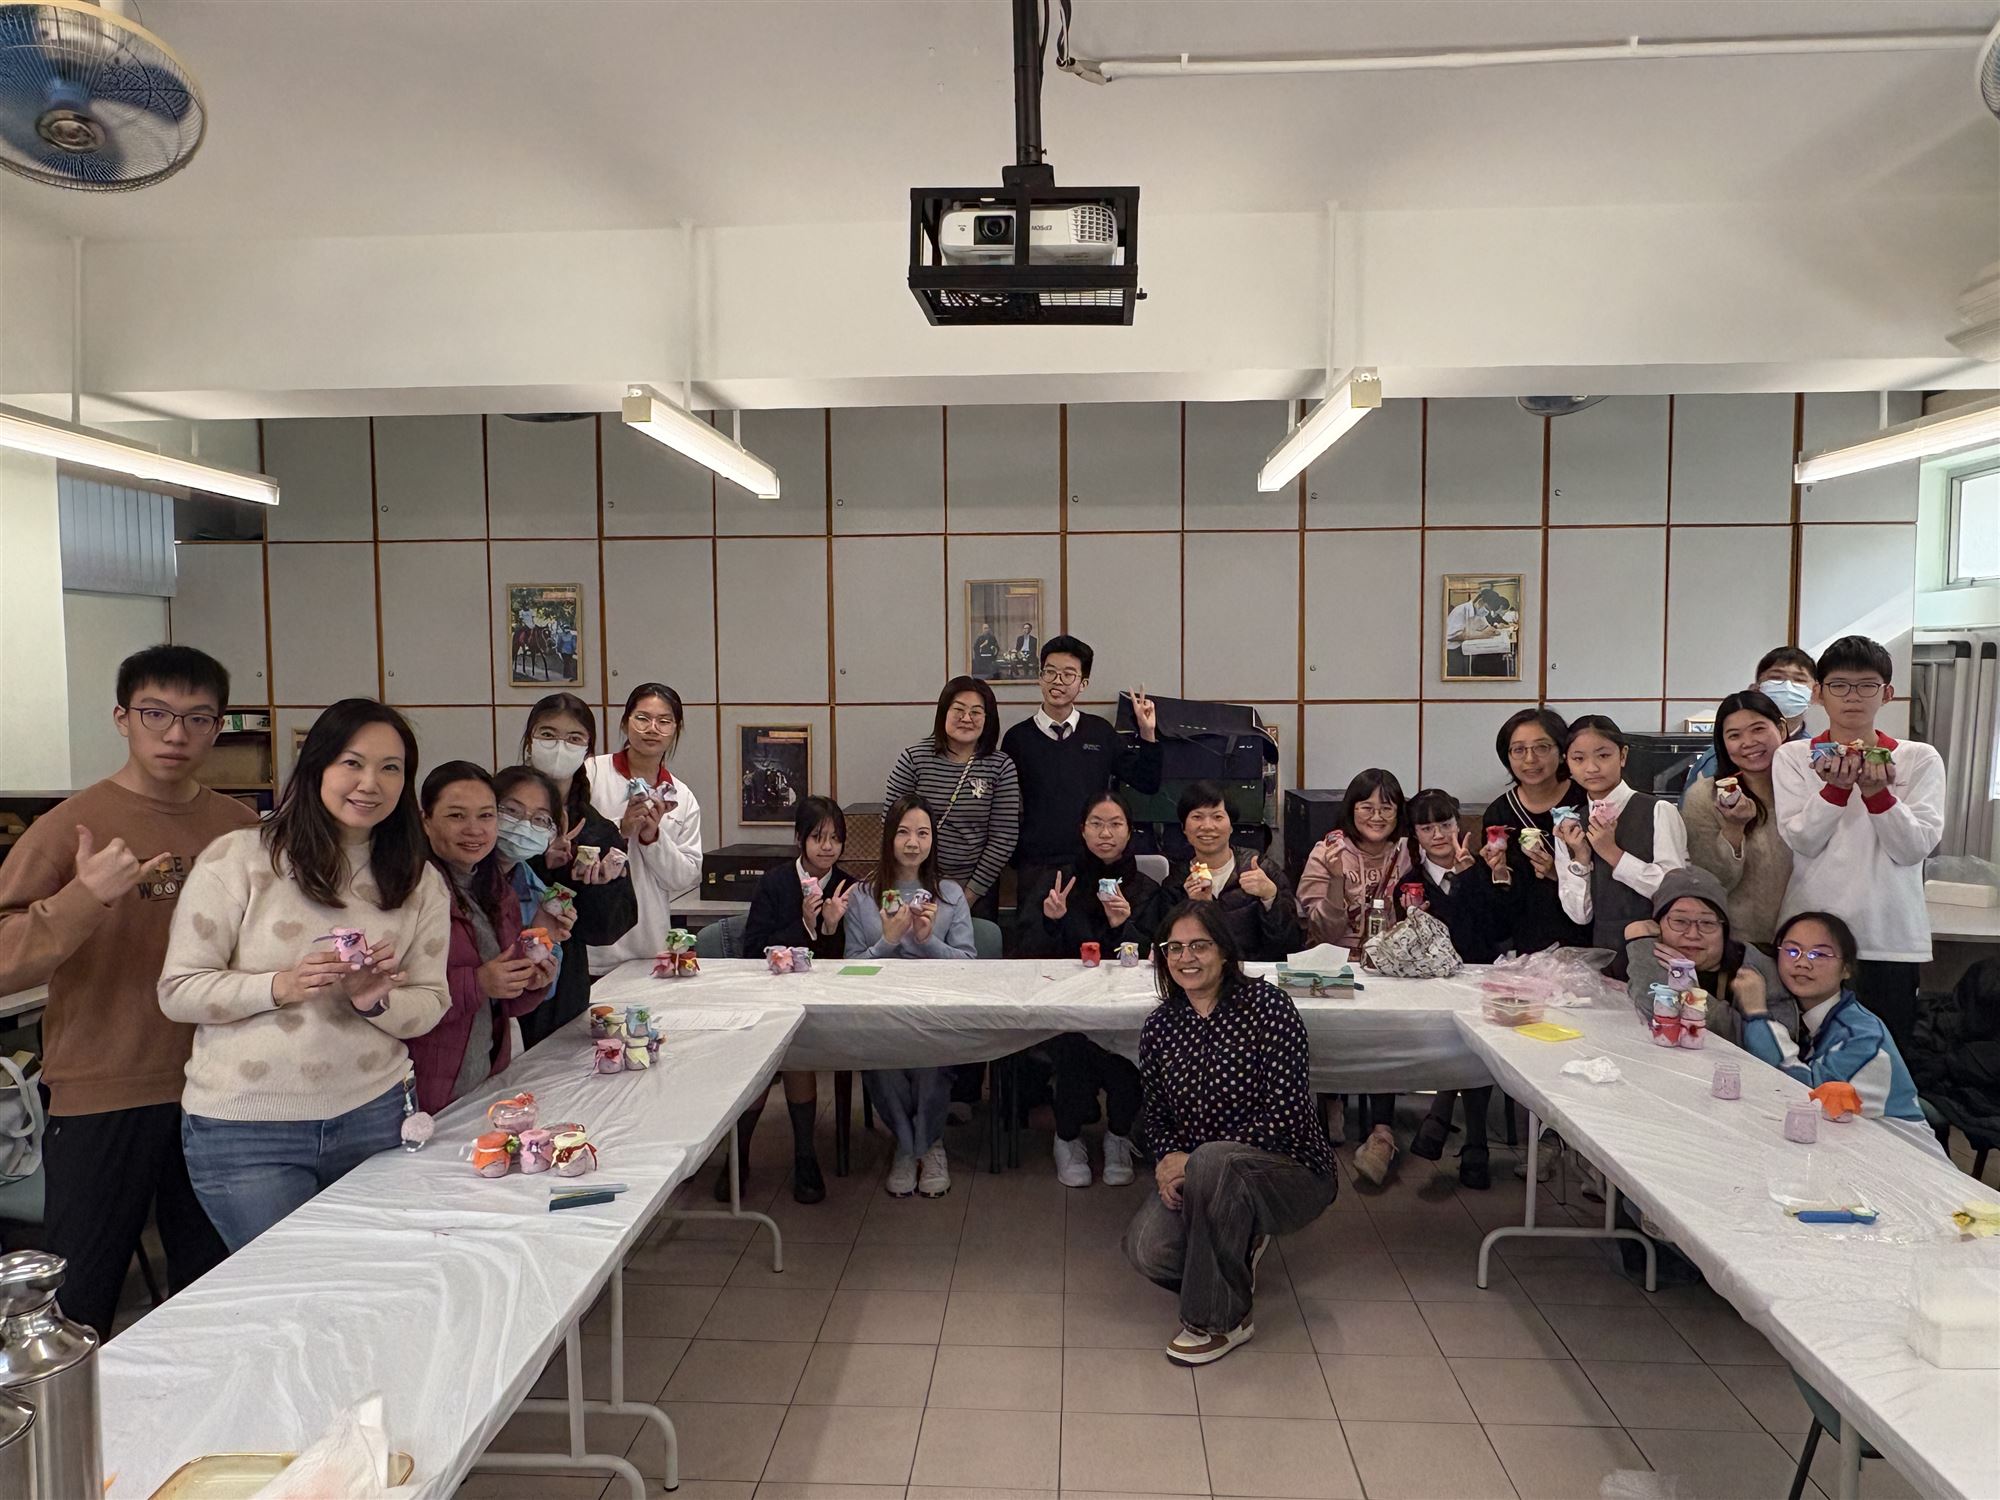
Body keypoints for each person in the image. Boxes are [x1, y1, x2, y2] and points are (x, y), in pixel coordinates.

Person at [0, 645, 256, 1340]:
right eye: (156, 714)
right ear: (122, 719)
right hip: (104, 1091)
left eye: (197, 718)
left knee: (215, 1291)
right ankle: (71, 1415)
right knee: (79, 1301)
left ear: (218, 727)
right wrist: (83, 897)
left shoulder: (239, 828)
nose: (175, 734)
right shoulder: (69, 826)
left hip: (222, 1089)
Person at [159, 700, 450, 1250]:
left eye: (391, 768)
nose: (370, 783)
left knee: (375, 1278)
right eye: (352, 763)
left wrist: (373, 1000)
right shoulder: (240, 858)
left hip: (375, 1114)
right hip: (247, 1130)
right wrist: (280, 986)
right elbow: (178, 991)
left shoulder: (418, 880)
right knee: (293, 1284)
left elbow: (431, 1002)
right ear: (317, 765)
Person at [1123, 902, 1336, 1366]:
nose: (1186, 957)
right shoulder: (1161, 1026)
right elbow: (1155, 1115)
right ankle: (1234, 1248)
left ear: (1224, 952)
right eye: (1174, 947)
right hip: (1198, 1176)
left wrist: (1198, 1160)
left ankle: (1221, 1320)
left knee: (1215, 1162)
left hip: (1290, 1169)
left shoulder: (1267, 1007)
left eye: (1199, 945)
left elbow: (1288, 1112)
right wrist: (1168, 1161)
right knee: (1147, 1249)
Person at [1771, 636, 1945, 1052]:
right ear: (1819, 693)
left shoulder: (1919, 758)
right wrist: (1835, 791)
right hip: (1812, 934)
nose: (1853, 696)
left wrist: (1878, 795)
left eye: (1867, 685)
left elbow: (1913, 848)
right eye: (1839, 685)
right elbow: (1803, 841)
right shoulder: (1794, 757)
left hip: (1890, 936)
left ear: (1887, 693)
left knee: (1883, 1061)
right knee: (1801, 1058)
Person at [1018, 792, 1171, 1189]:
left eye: (1115, 824)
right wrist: (1052, 921)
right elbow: (1026, 953)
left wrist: (1124, 927)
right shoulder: (1057, 882)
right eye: (1097, 824)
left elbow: (1159, 956)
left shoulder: (1146, 888)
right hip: (1067, 1002)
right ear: (1082, 830)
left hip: (1126, 1004)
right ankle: (1067, 1138)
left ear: (1129, 832)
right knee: (1075, 1046)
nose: (1106, 834)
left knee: (1127, 1050)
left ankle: (1118, 1136)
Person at [844, 794, 978, 1198]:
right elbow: (849, 968)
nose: (913, 843)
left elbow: (969, 963)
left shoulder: (950, 894)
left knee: (931, 1064)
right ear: (889, 837)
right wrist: (887, 942)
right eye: (903, 832)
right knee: (881, 1065)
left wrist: (926, 940)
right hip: (879, 1009)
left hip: (935, 1007)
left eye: (923, 833)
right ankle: (911, 1146)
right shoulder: (863, 895)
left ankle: (924, 1146)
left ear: (933, 839)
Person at [407, 763, 559, 1113]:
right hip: (427, 1087)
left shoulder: (496, 890)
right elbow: (393, 994)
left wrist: (531, 980)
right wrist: (478, 983)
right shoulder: (408, 891)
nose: (474, 829)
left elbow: (504, 1003)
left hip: (486, 1076)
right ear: (425, 820)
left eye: (486, 816)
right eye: (456, 816)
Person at [1736, 912, 1947, 1158]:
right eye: (1792, 951)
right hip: (1853, 1147)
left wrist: (1756, 1012)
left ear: (1846, 969)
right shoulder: (1813, 1020)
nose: (1803, 963)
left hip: (1907, 1157)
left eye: (1819, 954)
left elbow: (1804, 1091)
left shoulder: (1863, 1035)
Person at [733, 796, 855, 1205]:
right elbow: (753, 949)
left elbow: (849, 963)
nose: (827, 847)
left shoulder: (847, 886)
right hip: (770, 996)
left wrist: (831, 927)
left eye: (835, 838)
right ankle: (740, 1155)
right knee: (764, 1053)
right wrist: (804, 921)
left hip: (824, 1001)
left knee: (798, 1048)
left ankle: (805, 1155)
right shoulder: (775, 882)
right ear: (800, 838)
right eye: (818, 837)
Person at [1296, 768, 1410, 1184]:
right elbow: (1321, 930)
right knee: (1327, 1022)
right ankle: (1331, 1097)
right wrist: (1336, 880)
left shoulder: (1409, 851)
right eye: (1367, 807)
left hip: (1391, 968)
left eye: (1387, 808)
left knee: (1389, 1027)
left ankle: (1382, 1131)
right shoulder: (1327, 850)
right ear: (1351, 809)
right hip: (1333, 962)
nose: (1377, 816)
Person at [1000, 634, 1162, 913]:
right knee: (1035, 936)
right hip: (1036, 865)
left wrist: (1147, 733)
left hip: (1092, 863)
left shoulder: (1100, 733)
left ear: (1083, 684)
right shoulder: (1017, 738)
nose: (1057, 681)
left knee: (1091, 935)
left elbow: (1147, 782)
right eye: (1050, 672)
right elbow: (1005, 806)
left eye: (1068, 675)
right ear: (1040, 677)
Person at [515, 695, 633, 1046]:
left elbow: (608, 929)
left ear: (587, 751)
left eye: (573, 738)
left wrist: (598, 887)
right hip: (498, 972)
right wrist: (538, 860)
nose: (559, 747)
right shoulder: (497, 813)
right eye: (548, 735)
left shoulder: (597, 831)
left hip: (563, 983)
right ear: (529, 741)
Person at [1404, 788, 1498, 1189]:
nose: (1439, 835)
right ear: (1415, 834)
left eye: (1445, 824)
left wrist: (1467, 879)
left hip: (1479, 976)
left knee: (1476, 1043)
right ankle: (1469, 1138)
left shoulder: (1484, 870)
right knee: (1455, 1041)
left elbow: (1490, 930)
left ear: (1459, 825)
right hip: (1430, 985)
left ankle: (1447, 1119)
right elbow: (1415, 944)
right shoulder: (1411, 882)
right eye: (1427, 828)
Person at [581, 683, 703, 974]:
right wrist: (619, 829)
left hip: (650, 946)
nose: (652, 729)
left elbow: (684, 877)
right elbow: (569, 840)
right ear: (625, 723)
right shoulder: (590, 773)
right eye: (642, 718)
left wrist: (653, 838)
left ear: (676, 729)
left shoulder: (681, 796)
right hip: (591, 946)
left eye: (664, 721)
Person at [1553, 715, 1689, 975]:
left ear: (1623, 755)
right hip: (1604, 953)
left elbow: (1675, 891)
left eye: (1603, 756)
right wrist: (1581, 858)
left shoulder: (1658, 811)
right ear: (1567, 762)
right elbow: (1580, 915)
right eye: (1578, 759)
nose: (1591, 767)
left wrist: (1613, 854)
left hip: (1659, 950)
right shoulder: (1570, 825)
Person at [884, 677, 1021, 922]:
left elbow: (1004, 836)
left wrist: (968, 896)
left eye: (976, 712)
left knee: (976, 943)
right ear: (943, 713)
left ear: (988, 719)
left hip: (976, 888)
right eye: (958, 709)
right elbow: (891, 823)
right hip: (915, 881)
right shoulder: (914, 759)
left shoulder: (1001, 766)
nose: (966, 718)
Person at [1620, 867, 1798, 1048]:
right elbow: (1650, 1008)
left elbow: (1780, 1046)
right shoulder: (1656, 954)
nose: (1692, 934)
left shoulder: (1757, 968)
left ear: (1724, 930)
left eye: (1707, 923)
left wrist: (1689, 993)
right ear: (1658, 926)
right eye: (1680, 921)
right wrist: (1641, 943)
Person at [1681, 691, 1795, 948]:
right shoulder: (1705, 796)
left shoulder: (1808, 789)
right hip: (1738, 944)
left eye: (1758, 729)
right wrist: (1733, 828)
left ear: (1781, 728)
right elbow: (1711, 883)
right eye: (1734, 736)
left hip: (1805, 941)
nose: (1748, 742)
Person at [1475, 709, 1592, 957]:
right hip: (1527, 945)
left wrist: (1558, 874)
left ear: (1562, 752)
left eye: (1541, 747)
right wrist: (1499, 874)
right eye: (1518, 750)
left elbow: (1607, 884)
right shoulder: (1500, 813)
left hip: (1587, 941)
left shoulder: (1587, 802)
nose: (1530, 759)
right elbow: (1500, 906)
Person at [1169, 780, 1300, 964]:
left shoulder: (1262, 869)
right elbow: (1169, 949)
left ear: (1231, 826)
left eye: (1217, 817)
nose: (1207, 826)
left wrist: (1271, 897)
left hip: (1254, 973)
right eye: (1197, 817)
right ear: (1184, 828)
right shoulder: (1176, 882)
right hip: (1198, 973)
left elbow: (1291, 946)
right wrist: (1200, 908)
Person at [1679, 646, 1818, 800]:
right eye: (1776, 678)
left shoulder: (1815, 755)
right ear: (1756, 689)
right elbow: (1693, 809)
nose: (1788, 687)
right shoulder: (1718, 759)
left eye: (1799, 680)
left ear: (1816, 692)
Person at [1445, 587, 1514, 677]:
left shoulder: (1479, 613)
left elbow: (1486, 627)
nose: (1487, 612)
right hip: (1455, 651)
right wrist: (1481, 634)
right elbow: (1452, 636)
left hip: (1468, 649)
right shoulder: (1460, 611)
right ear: (1480, 602)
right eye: (1487, 609)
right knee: (1459, 677)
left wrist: (1494, 630)